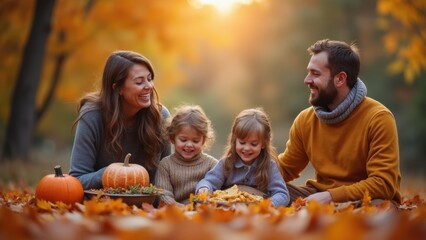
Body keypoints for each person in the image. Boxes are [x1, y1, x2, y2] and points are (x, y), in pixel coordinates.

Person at [277, 39, 402, 207]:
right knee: (253, 190)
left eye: (315, 74)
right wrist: (243, 165)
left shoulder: (378, 118)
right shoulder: (305, 120)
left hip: (364, 200)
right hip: (318, 196)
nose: (307, 80)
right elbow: (285, 169)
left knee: (382, 209)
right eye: (308, 72)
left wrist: (331, 196)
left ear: (340, 79)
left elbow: (383, 184)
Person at [69, 50, 171, 190]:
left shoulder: (160, 117)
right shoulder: (92, 115)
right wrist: (110, 173)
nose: (149, 86)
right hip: (100, 205)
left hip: (147, 207)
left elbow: (165, 176)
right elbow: (77, 179)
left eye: (149, 78)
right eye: (139, 82)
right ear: (118, 88)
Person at [196, 108, 290, 207]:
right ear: (235, 140)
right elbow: (209, 181)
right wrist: (204, 188)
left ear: (263, 143)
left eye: (253, 144)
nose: (246, 148)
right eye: (242, 142)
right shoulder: (226, 164)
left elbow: (282, 194)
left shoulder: (269, 166)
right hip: (228, 211)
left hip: (257, 213)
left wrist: (268, 204)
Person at [155, 105, 218, 206]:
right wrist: (182, 209)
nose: (189, 145)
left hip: (203, 212)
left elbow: (218, 193)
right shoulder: (166, 165)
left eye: (195, 141)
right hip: (175, 213)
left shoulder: (212, 165)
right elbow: (163, 194)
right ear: (172, 138)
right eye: (183, 140)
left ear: (203, 141)